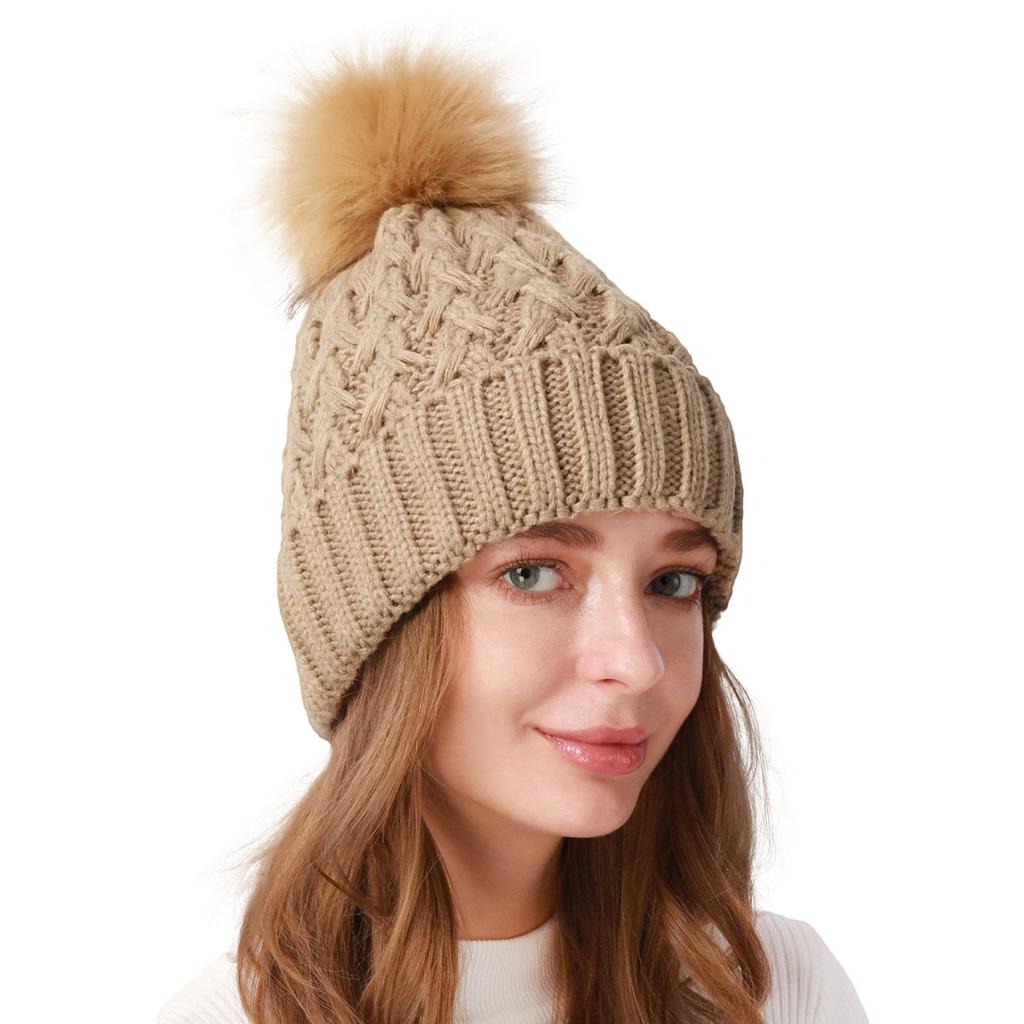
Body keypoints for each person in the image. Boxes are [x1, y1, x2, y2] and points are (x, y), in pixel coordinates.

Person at [158, 37, 870, 1024]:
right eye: (534, 572)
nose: (637, 662)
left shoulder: (771, 990)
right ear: (375, 626)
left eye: (673, 582)